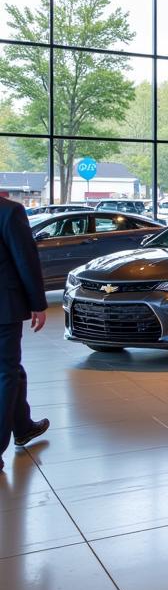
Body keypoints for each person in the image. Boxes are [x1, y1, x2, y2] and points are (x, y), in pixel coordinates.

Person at [0, 196, 49, 471]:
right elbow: (25, 259)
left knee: (11, 370)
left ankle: (23, 427)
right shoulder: (9, 211)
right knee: (5, 372)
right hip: (4, 308)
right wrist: (38, 304)